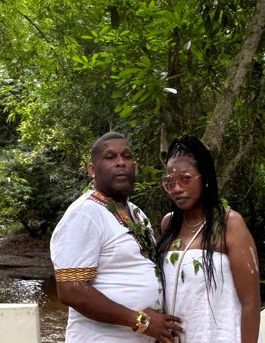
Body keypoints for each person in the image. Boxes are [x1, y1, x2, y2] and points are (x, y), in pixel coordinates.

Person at [51, 131, 184, 343]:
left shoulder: (136, 213)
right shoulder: (85, 213)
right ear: (92, 170)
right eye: (110, 157)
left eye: (127, 156)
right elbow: (71, 291)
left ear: (136, 166)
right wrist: (142, 321)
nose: (121, 162)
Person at [156, 135, 261, 343]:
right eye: (170, 183)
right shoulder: (168, 225)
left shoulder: (229, 223)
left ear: (204, 179)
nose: (177, 188)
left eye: (185, 179)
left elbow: (251, 304)